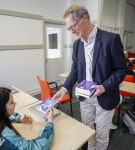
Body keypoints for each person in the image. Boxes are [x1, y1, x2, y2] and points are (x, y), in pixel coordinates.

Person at [53, 5, 128, 150]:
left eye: (73, 26)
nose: (72, 31)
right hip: (85, 98)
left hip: (105, 97)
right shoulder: (77, 45)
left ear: (85, 18)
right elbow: (74, 71)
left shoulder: (110, 39)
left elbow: (121, 70)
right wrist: (63, 89)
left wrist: (104, 87)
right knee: (87, 131)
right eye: (69, 28)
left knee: (101, 134)